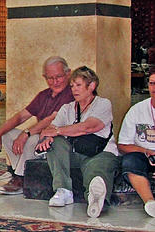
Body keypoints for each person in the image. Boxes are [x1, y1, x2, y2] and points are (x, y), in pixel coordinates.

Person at [36, 65, 118, 218]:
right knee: (55, 142)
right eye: (72, 86)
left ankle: (94, 198)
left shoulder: (103, 104)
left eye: (78, 85)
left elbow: (89, 127)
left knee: (96, 170)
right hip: (75, 153)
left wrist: (58, 131)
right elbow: (49, 129)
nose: (74, 89)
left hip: (100, 153)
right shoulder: (67, 108)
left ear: (92, 86)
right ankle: (63, 190)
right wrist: (48, 137)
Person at [0, 56, 73, 195]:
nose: (55, 82)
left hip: (55, 141)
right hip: (37, 140)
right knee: (8, 134)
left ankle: (20, 178)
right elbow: (20, 116)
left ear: (68, 73)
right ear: (44, 77)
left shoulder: (70, 94)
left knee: (31, 139)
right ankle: (19, 174)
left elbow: (51, 119)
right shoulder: (44, 95)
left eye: (59, 77)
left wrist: (26, 133)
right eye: (50, 78)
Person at [117, 73, 155, 218]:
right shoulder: (136, 110)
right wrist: (146, 150)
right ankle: (150, 202)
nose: (154, 88)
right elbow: (123, 145)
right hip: (143, 155)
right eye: (151, 83)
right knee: (130, 161)